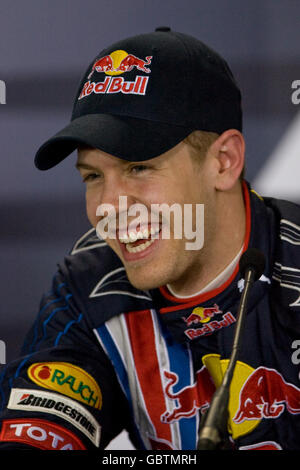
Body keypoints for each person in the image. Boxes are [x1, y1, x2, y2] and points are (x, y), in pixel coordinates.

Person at [0, 27, 299, 451]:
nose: (108, 206)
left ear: (224, 161)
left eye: (139, 167)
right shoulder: (91, 286)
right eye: (93, 176)